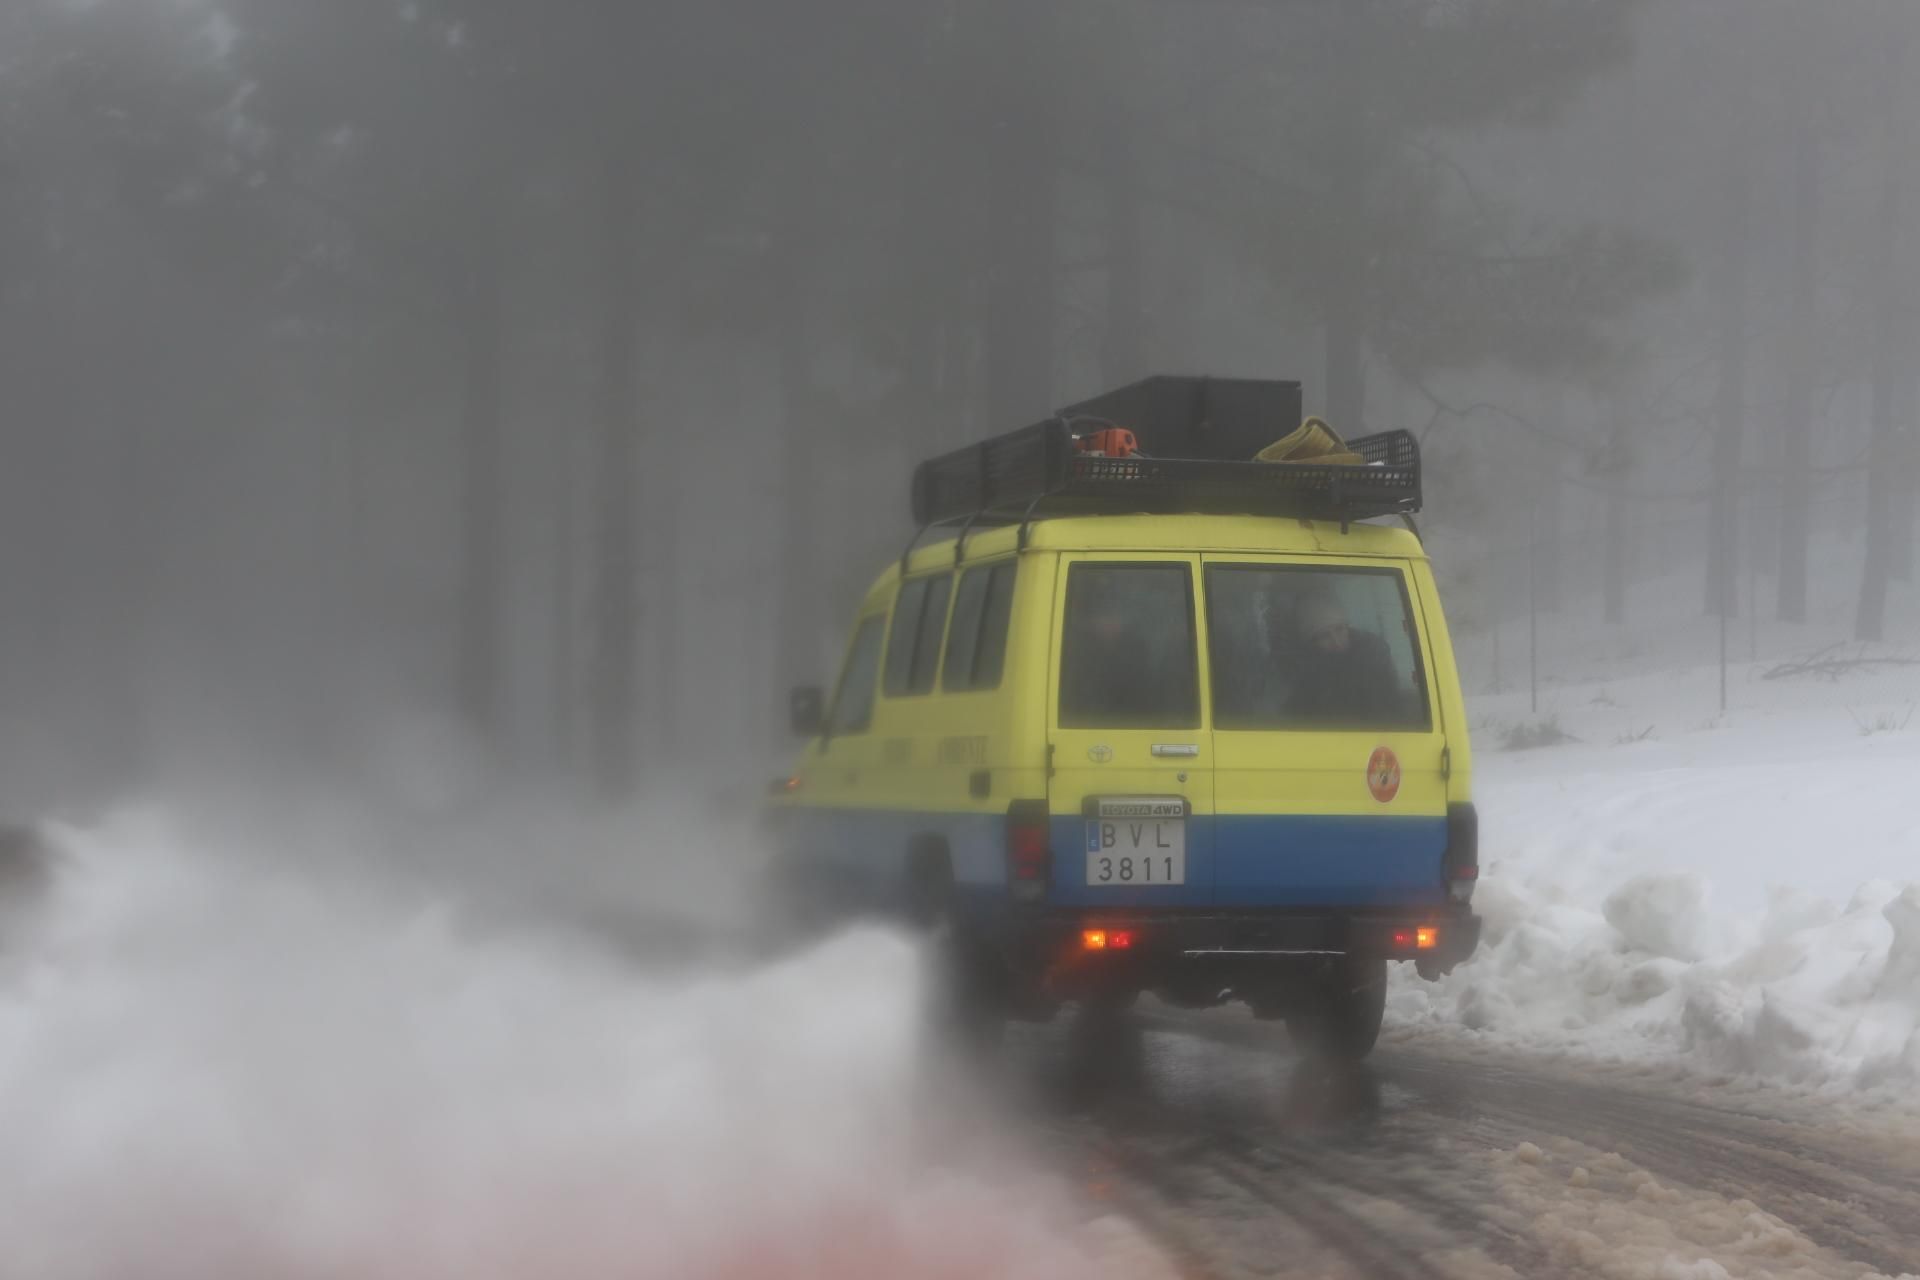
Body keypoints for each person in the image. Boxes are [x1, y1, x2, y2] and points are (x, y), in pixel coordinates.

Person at [1286, 591, 1405, 726]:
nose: (1336, 641)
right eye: (1324, 636)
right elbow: (1298, 713)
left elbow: (1387, 707)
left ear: (1347, 625)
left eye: (1339, 629)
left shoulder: (1373, 654)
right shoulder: (1306, 668)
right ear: (1311, 642)